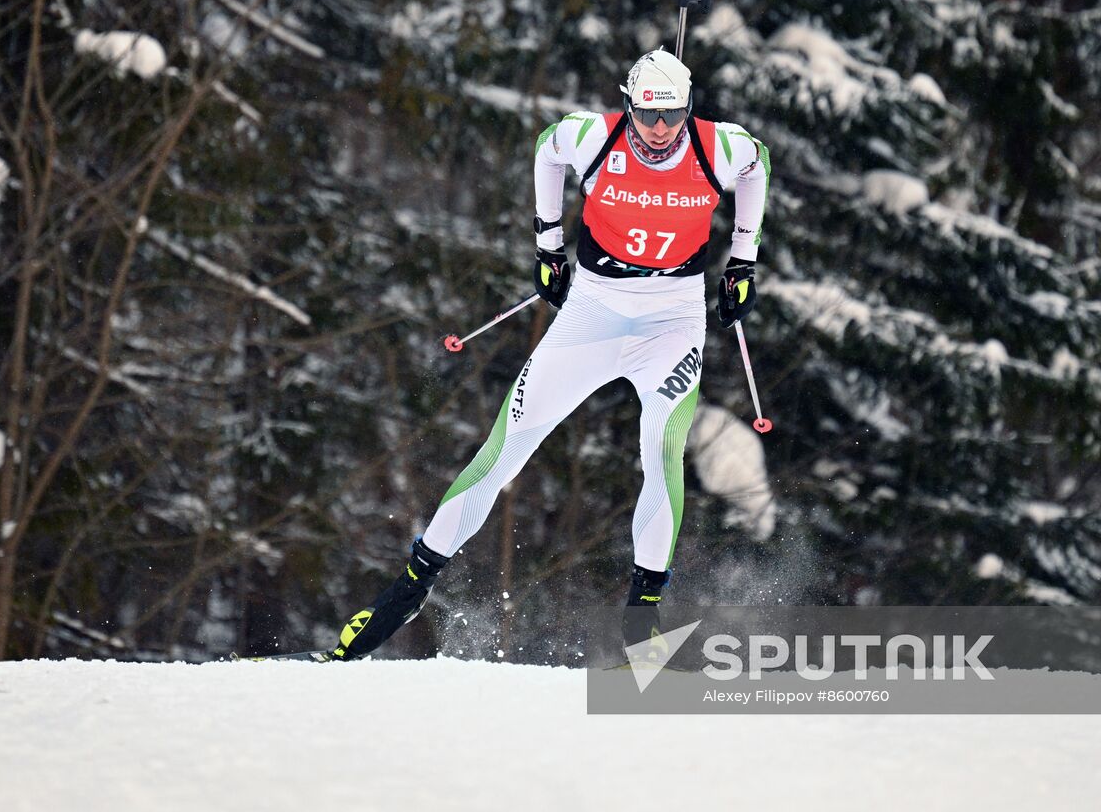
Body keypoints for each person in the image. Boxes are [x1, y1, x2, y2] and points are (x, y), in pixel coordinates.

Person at [320, 48, 769, 661]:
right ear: (629, 105)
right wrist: (547, 243)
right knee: (503, 451)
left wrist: (743, 257)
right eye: (648, 115)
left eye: (673, 116)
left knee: (661, 451)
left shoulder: (719, 147)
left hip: (672, 320)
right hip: (590, 314)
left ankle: (643, 625)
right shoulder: (592, 136)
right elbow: (546, 148)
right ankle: (404, 594)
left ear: (688, 110)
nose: (660, 130)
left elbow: (759, 163)